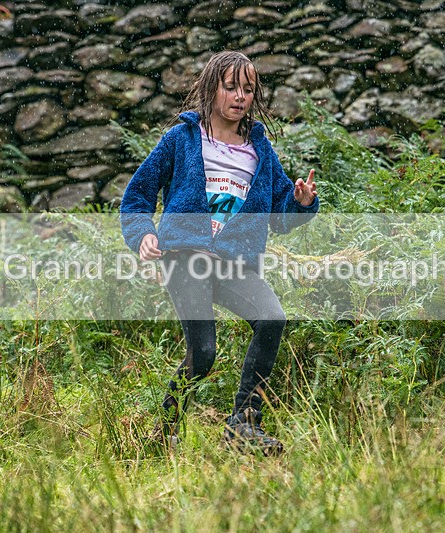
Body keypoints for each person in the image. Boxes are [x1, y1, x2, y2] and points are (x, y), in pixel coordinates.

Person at [120, 51, 319, 455]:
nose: (240, 96)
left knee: (272, 318)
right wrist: (142, 233)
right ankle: (166, 433)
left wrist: (300, 202)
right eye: (231, 87)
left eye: (248, 89)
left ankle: (243, 425)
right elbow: (137, 196)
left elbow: (279, 216)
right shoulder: (181, 139)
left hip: (234, 262)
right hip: (185, 257)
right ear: (212, 89)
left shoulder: (259, 153)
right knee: (204, 352)